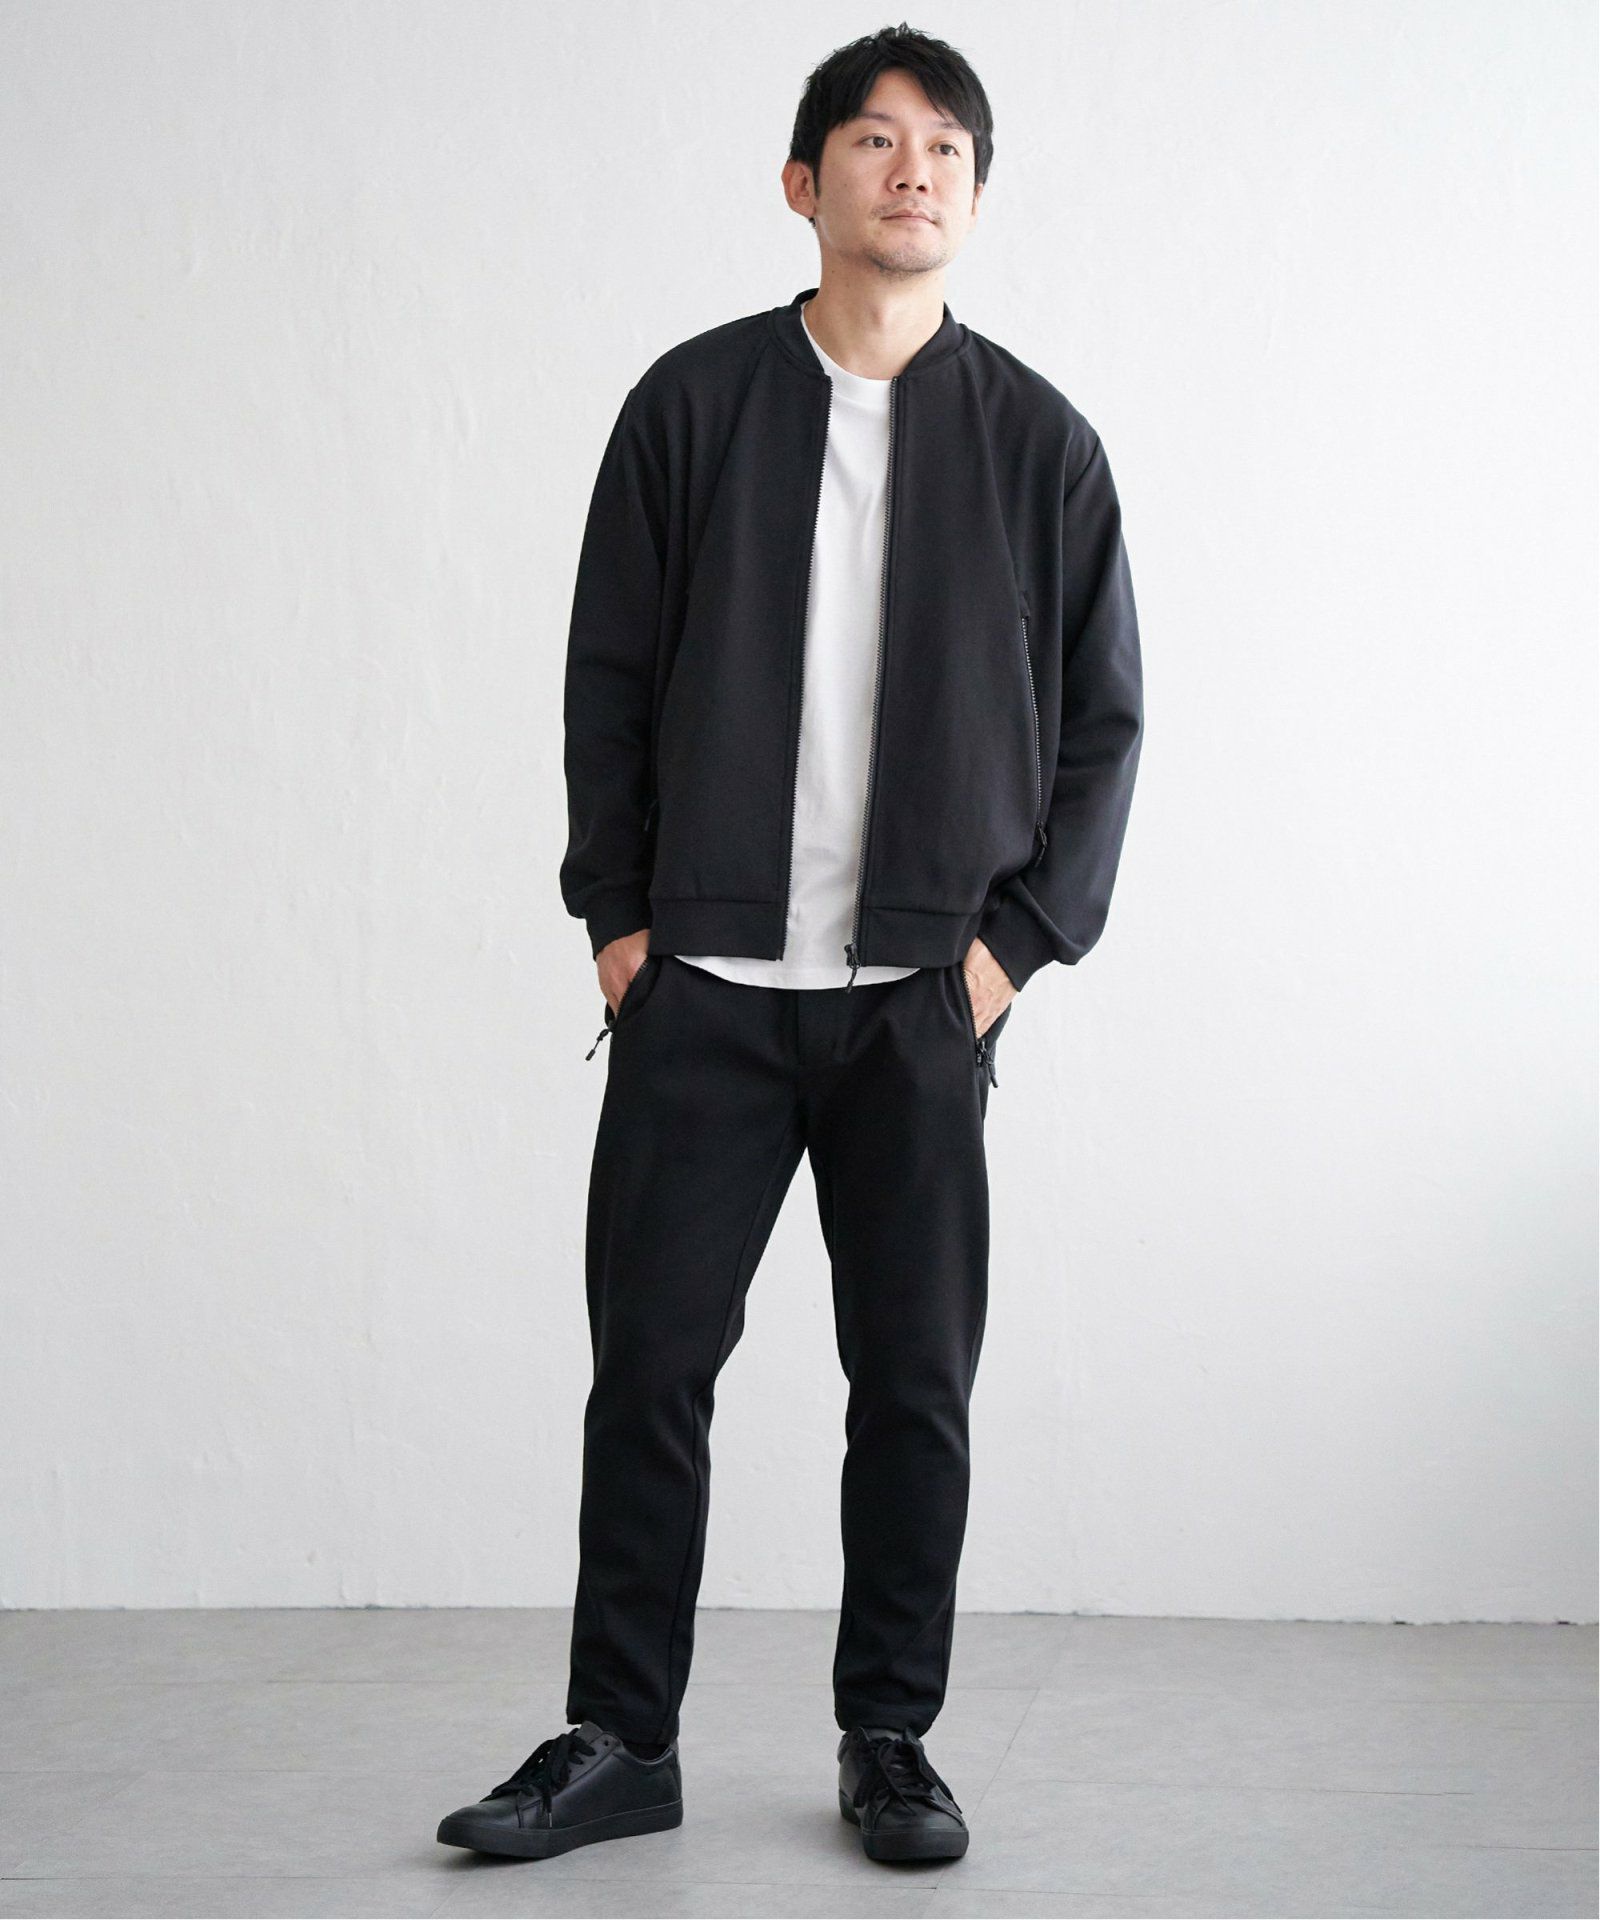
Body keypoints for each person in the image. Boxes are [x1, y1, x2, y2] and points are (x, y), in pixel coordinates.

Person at [437, 21, 1143, 1868]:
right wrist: (622, 929)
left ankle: (889, 1736)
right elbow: (605, 678)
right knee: (649, 1374)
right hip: (707, 996)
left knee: (912, 1389)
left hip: (919, 1003)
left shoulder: (1042, 446)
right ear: (802, 181)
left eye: (946, 150)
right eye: (877, 140)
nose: (914, 171)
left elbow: (1104, 730)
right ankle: (621, 1738)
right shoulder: (691, 407)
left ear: (973, 196)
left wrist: (1004, 956)